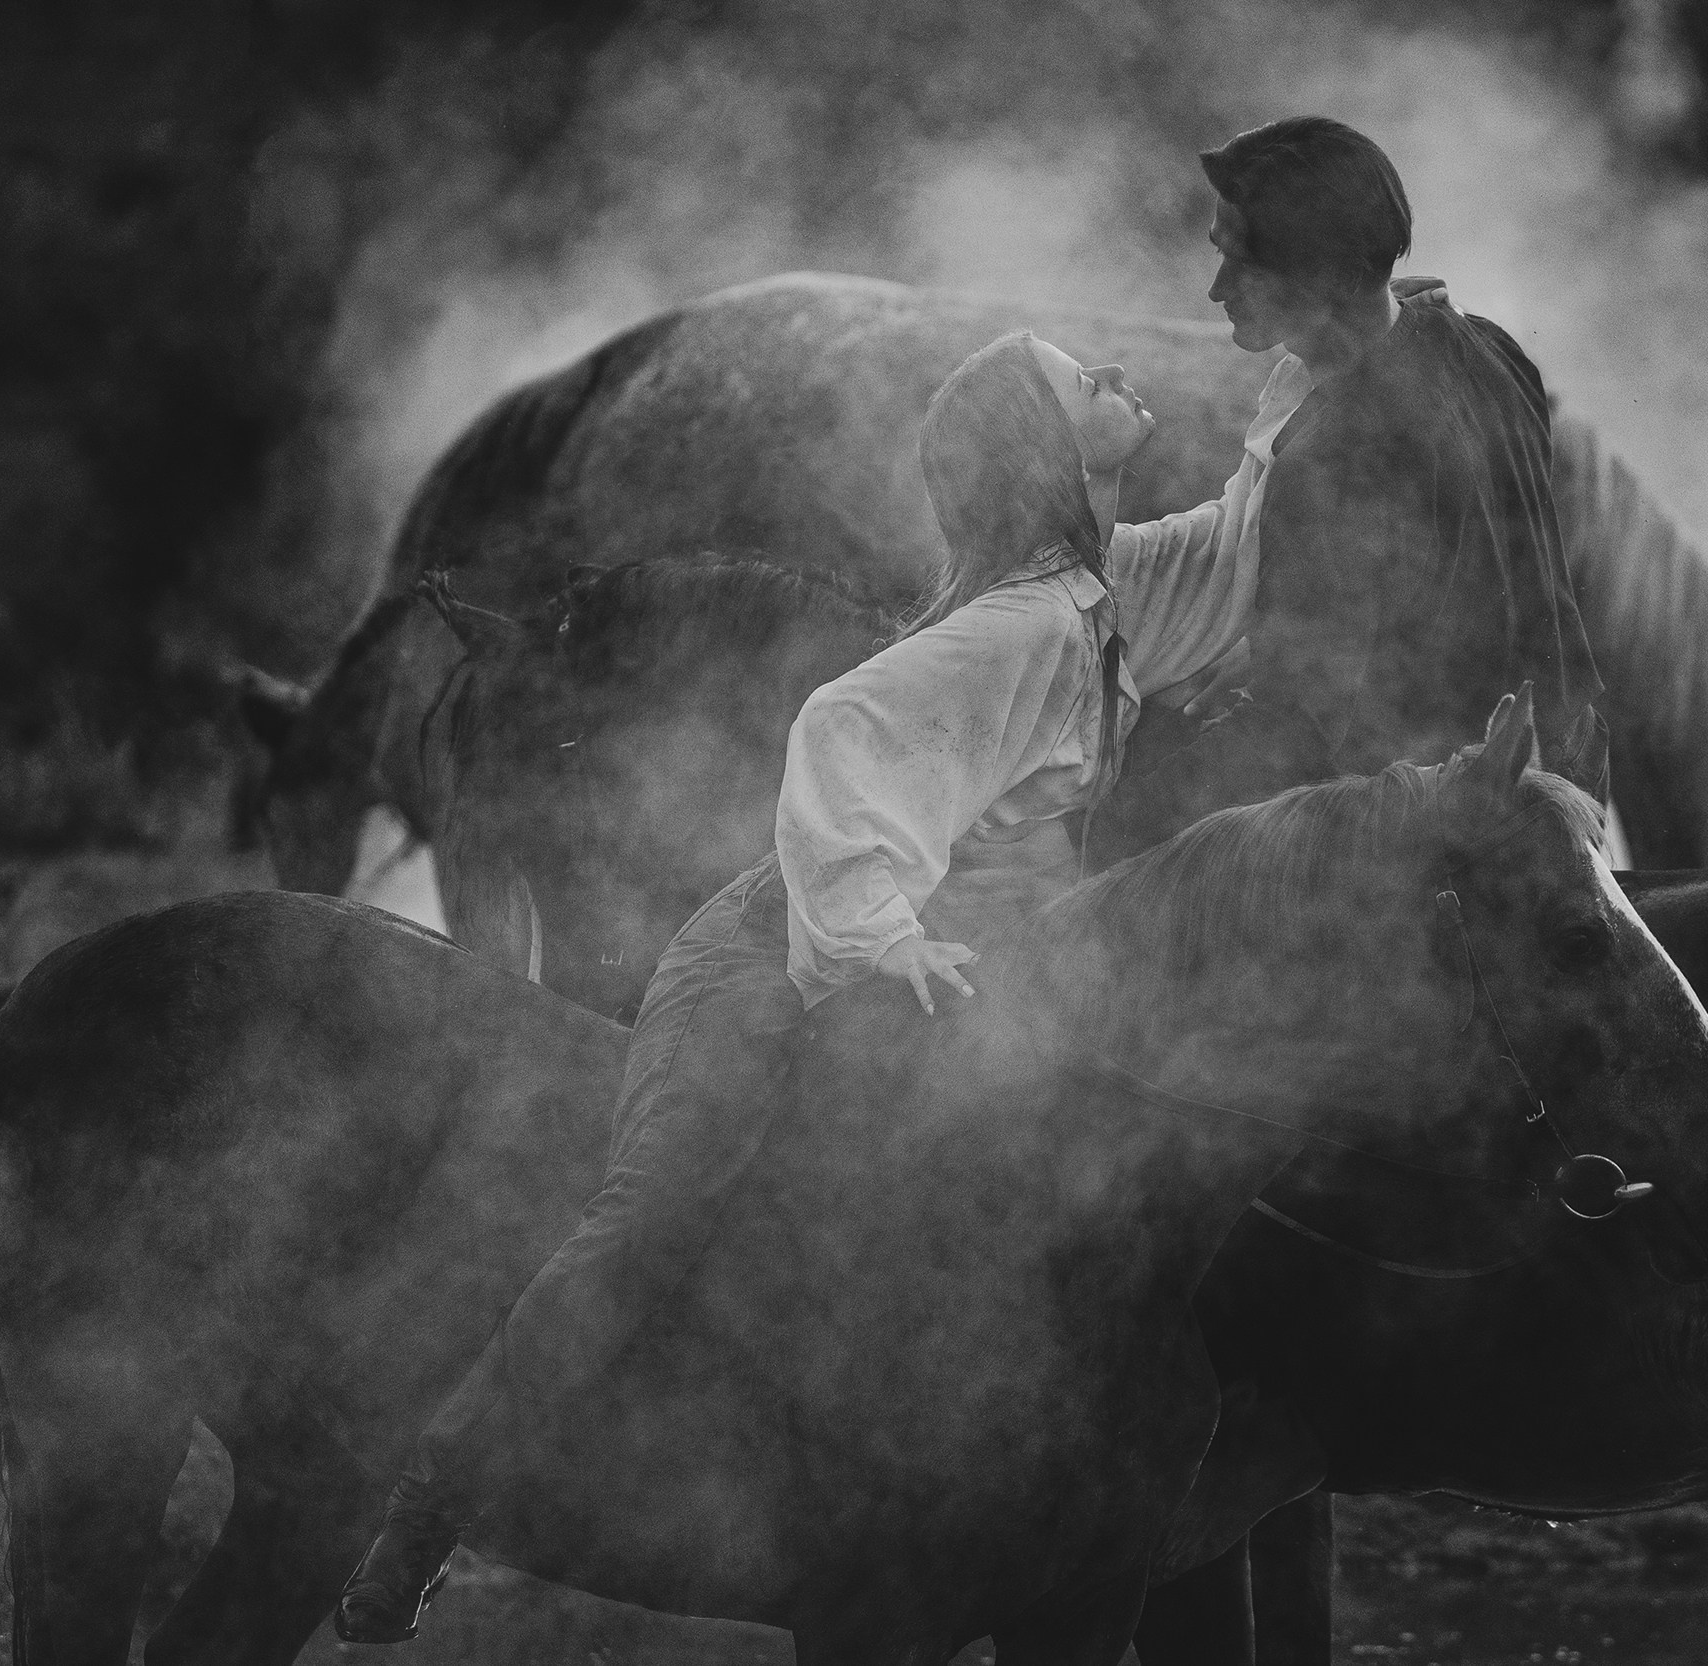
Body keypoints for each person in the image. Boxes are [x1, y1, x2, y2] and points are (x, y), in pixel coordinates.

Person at [337, 330, 1257, 1642]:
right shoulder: (1010, 627)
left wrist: (1329, 371)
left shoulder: (1107, 585)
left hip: (939, 948)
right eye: (1077, 379)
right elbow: (839, 742)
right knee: (655, 1205)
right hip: (764, 958)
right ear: (1047, 449)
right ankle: (435, 1501)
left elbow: (1244, 533)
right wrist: (890, 937)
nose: (1111, 373)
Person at [1091, 115, 1608, 862]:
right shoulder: (1489, 348)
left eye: (1243, 264)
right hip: (1568, 784)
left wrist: (1127, 801)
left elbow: (1299, 723)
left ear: (1329, 277)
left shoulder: (1336, 452)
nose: (1216, 290)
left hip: (1453, 833)